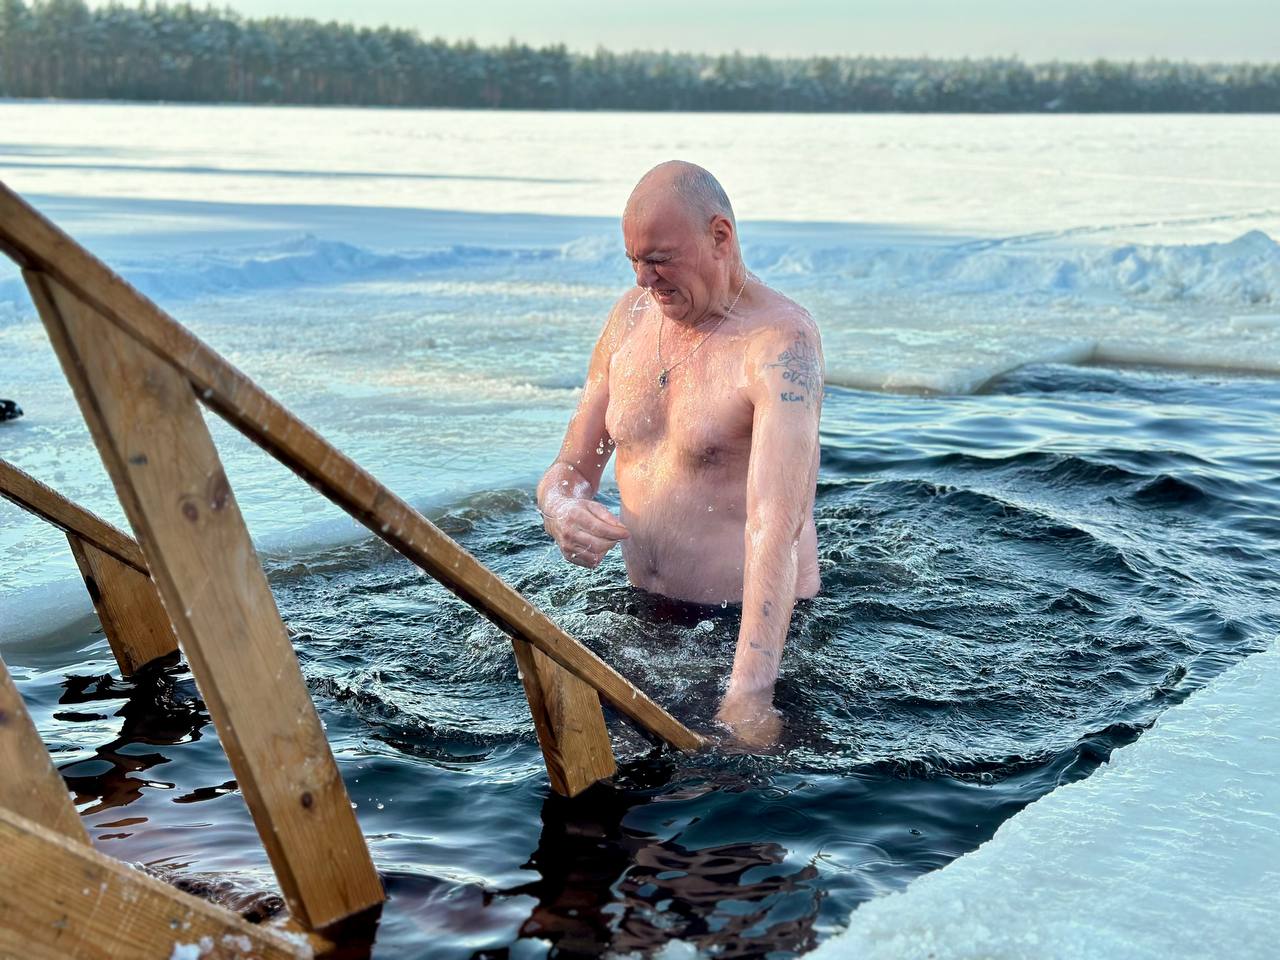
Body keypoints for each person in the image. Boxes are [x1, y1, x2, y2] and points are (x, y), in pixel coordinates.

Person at [536, 161, 823, 749]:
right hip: (644, 615)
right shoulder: (629, 320)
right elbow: (570, 469)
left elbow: (776, 524)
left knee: (715, 794)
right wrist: (561, 509)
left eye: (660, 259)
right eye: (634, 262)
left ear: (720, 236)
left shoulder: (780, 342)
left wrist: (751, 693)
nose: (646, 280)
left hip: (748, 630)